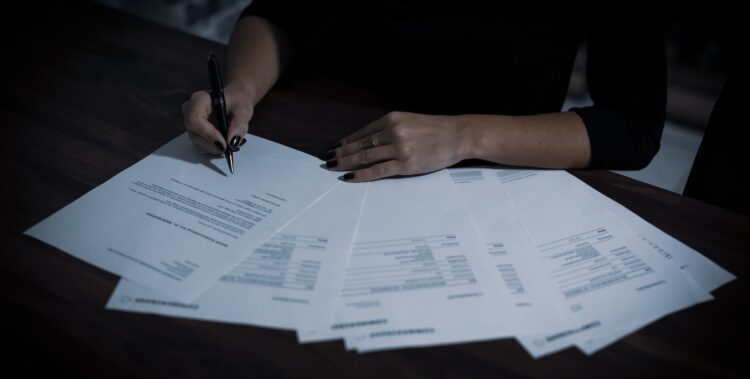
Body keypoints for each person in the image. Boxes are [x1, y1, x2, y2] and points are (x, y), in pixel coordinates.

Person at [182, 1, 666, 183]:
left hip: (490, 170)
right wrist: (241, 87)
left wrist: (462, 136)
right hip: (318, 135)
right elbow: (280, 10)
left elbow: (633, 126)